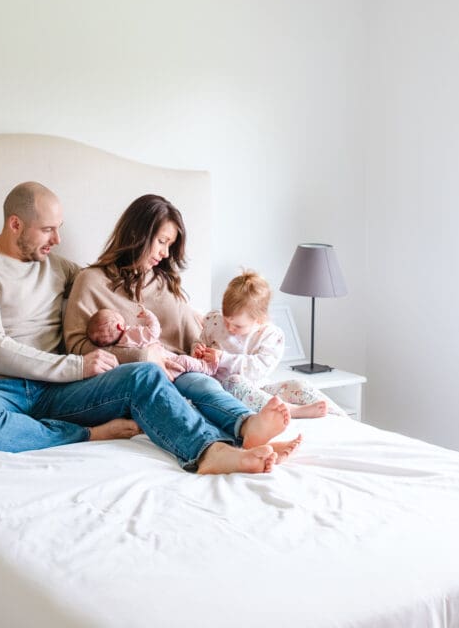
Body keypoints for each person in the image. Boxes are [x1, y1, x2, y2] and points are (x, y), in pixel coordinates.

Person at [0, 182, 296, 475]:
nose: (58, 239)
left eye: (59, 229)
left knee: (144, 376)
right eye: (48, 230)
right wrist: (78, 367)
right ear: (15, 224)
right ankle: (89, 435)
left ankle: (208, 451)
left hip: (55, 391)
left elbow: (110, 285)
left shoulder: (59, 268)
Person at [63, 193, 302, 464]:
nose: (165, 253)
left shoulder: (164, 283)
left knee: (202, 384)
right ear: (137, 234)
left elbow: (192, 336)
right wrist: (141, 357)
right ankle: (223, 450)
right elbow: (76, 346)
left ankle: (249, 427)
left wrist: (201, 350)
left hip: (179, 369)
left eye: (170, 245)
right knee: (171, 387)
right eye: (162, 242)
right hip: (134, 379)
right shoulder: (91, 281)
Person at [194, 270, 335, 419]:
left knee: (299, 385)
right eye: (227, 321)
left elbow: (258, 368)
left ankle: (336, 413)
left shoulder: (271, 335)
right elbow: (201, 341)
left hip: (260, 387)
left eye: (238, 326)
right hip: (226, 389)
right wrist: (197, 348)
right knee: (234, 381)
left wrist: (224, 358)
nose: (230, 328)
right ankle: (291, 410)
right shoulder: (215, 322)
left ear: (259, 320)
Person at [86, 305, 214, 381]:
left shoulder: (117, 345)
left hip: (158, 371)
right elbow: (154, 332)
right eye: (117, 315)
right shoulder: (132, 334)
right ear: (120, 326)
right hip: (167, 362)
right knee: (186, 361)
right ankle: (207, 367)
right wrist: (149, 316)